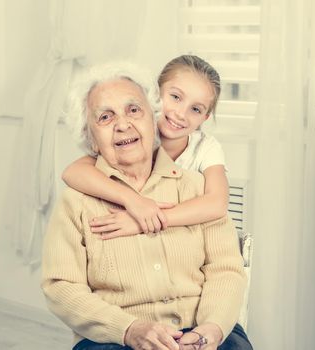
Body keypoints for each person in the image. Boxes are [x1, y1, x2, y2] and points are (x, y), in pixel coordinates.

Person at [42, 63, 252, 350]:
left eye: (133, 110)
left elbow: (225, 270)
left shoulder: (197, 188)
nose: (123, 124)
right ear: (91, 140)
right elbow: (62, 286)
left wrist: (210, 329)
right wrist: (128, 329)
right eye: (105, 117)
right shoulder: (76, 202)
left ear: (153, 120)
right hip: (117, 337)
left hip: (201, 328)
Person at [61, 55, 229, 238]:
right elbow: (73, 172)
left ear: (204, 118)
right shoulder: (134, 136)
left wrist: (146, 220)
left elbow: (217, 203)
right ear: (154, 94)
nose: (181, 113)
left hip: (182, 236)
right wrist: (132, 200)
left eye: (196, 109)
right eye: (175, 97)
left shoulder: (205, 147)